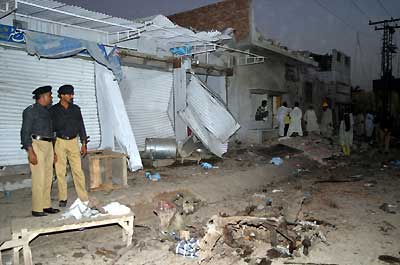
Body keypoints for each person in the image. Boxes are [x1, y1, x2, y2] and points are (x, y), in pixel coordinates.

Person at [20, 86, 60, 217]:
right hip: (36, 144)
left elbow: (51, 132)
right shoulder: (30, 111)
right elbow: (25, 132)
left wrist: (53, 151)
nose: (52, 97)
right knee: (39, 177)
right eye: (50, 95)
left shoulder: (48, 111)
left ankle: (46, 205)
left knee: (48, 177)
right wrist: (30, 151)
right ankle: (37, 208)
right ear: (42, 97)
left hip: (48, 145)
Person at [50, 85, 89, 208]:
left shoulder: (76, 109)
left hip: (73, 142)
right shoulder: (53, 110)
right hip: (59, 142)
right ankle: (63, 198)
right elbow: (50, 129)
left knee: (77, 170)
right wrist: (52, 148)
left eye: (72, 94)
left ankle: (83, 197)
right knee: (60, 171)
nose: (71, 96)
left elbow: (81, 126)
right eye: (69, 94)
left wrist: (83, 143)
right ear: (62, 95)